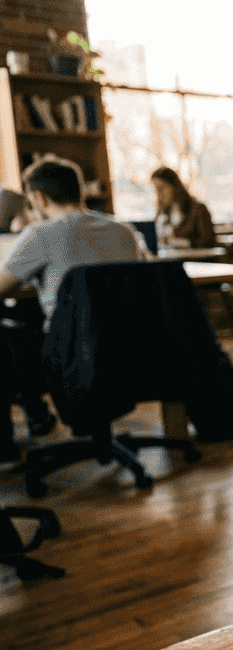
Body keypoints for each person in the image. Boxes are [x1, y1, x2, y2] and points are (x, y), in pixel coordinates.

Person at [0, 159, 144, 461]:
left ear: (38, 198)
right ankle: (40, 417)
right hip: (128, 350)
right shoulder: (124, 232)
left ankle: (8, 444)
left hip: (68, 355)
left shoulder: (40, 234)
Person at [150, 167, 216, 249]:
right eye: (155, 190)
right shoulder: (164, 213)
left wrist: (178, 242)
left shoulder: (198, 209)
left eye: (162, 188)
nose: (159, 194)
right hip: (171, 259)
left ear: (174, 186)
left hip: (196, 260)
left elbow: (208, 242)